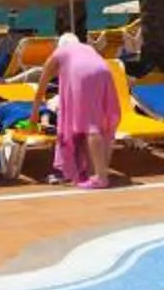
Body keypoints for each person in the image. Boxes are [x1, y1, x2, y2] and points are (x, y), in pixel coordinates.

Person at [46, 33, 121, 190]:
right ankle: (97, 172)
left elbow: (42, 83)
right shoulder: (87, 49)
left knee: (90, 126)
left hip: (87, 76)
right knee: (101, 125)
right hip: (105, 72)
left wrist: (33, 116)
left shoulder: (61, 52)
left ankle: (101, 177)